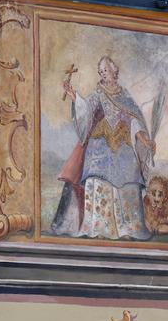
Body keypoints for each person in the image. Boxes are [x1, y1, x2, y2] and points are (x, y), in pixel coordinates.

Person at [51, 55, 155, 240]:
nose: (103, 74)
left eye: (105, 70)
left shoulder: (125, 96)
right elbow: (86, 110)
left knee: (129, 177)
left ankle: (128, 229)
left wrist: (145, 141)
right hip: (100, 144)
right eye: (100, 71)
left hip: (122, 143)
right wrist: (74, 96)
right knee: (98, 179)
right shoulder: (98, 93)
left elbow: (134, 121)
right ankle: (99, 229)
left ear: (114, 71)